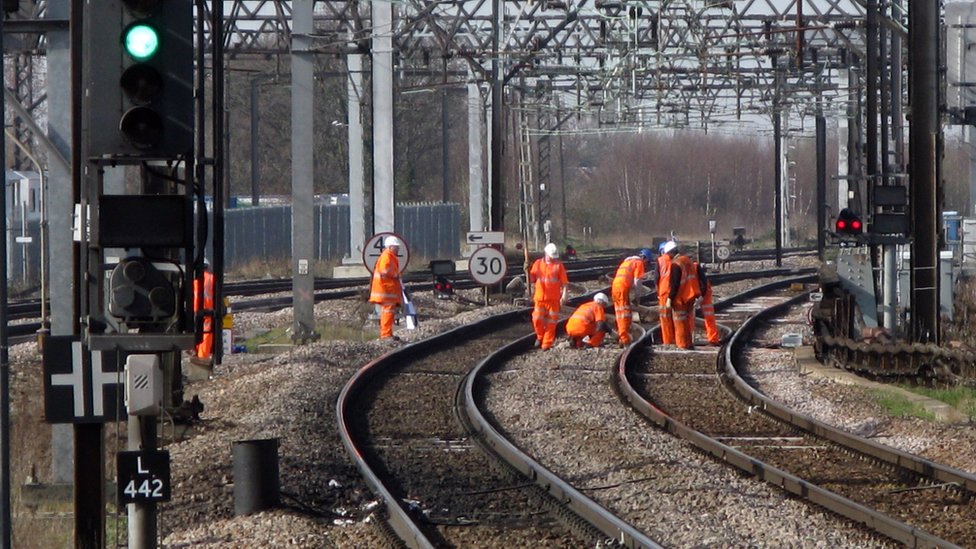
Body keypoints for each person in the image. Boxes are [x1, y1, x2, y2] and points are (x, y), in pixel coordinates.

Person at [529, 242, 569, 350]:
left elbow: (565, 282)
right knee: (537, 319)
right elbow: (531, 279)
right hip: (540, 298)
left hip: (553, 299)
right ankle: (540, 336)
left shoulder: (558, 266)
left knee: (551, 323)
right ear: (546, 254)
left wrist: (564, 294)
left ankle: (546, 344)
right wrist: (528, 271)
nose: (553, 259)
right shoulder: (538, 264)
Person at [612, 248, 653, 347]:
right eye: (647, 261)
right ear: (644, 258)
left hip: (615, 288)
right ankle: (624, 338)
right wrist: (637, 296)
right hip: (622, 289)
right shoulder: (638, 263)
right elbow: (637, 281)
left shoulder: (627, 262)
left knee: (619, 313)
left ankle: (622, 335)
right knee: (625, 315)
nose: (646, 264)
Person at [663, 241, 701, 350]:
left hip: (680, 298)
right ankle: (689, 344)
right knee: (687, 322)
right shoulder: (687, 260)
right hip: (691, 295)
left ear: (670, 253)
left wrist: (670, 298)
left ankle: (682, 345)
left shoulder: (676, 264)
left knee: (680, 323)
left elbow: (674, 284)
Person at [369, 236, 404, 340]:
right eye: (396, 247)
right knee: (387, 311)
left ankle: (387, 333)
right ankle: (386, 334)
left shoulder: (390, 256)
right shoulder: (387, 256)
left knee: (388, 312)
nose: (398, 249)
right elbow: (385, 270)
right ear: (390, 247)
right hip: (386, 290)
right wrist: (395, 275)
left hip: (388, 290)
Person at [193, 259, 215, 362]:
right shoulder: (211, 278)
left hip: (193, 312)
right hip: (207, 313)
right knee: (206, 335)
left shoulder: (192, 279)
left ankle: (197, 355)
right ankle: (202, 360)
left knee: (195, 334)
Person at [696, 261, 721, 345]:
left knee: (709, 316)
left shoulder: (694, 267)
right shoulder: (680, 266)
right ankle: (687, 339)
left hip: (703, 292)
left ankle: (713, 339)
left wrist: (701, 296)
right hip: (694, 292)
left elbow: (703, 283)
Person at [656, 242, 675, 345]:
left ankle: (668, 341)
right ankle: (678, 340)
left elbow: (656, 279)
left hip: (663, 293)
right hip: (675, 292)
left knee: (665, 319)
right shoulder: (677, 260)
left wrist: (658, 293)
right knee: (676, 318)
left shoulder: (660, 261)